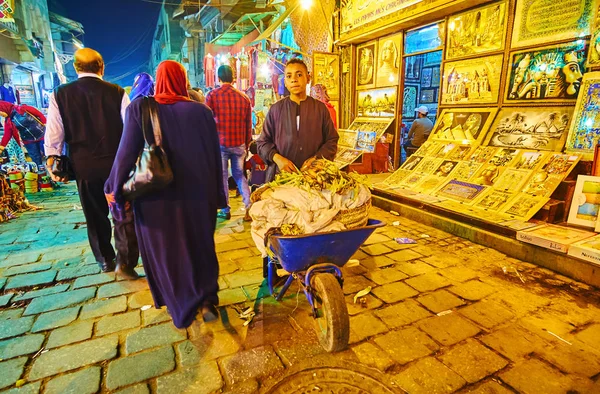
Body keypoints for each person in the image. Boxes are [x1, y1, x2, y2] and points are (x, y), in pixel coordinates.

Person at [104, 60, 226, 328]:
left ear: (159, 80)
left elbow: (125, 154)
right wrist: (219, 196)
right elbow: (215, 158)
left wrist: (113, 188)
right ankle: (207, 300)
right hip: (199, 195)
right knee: (201, 246)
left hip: (156, 198)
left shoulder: (140, 108)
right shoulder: (202, 112)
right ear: (182, 80)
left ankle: (182, 307)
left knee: (168, 252)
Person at [44, 48, 139, 279]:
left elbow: (54, 133)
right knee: (122, 213)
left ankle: (106, 260)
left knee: (94, 215)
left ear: (76, 68)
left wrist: (51, 159)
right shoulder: (117, 92)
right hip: (116, 165)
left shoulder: (60, 94)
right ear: (102, 67)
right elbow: (130, 129)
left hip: (83, 165)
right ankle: (125, 261)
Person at [258, 58, 338, 180]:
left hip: (314, 178)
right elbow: (262, 143)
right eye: (289, 76)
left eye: (299, 74)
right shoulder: (275, 110)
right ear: (285, 82)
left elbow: (331, 140)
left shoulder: (320, 109)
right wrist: (278, 159)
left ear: (308, 78)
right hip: (281, 178)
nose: (294, 79)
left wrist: (316, 159)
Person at [205, 65, 252, 221]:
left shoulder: (211, 96)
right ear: (233, 78)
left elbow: (207, 123)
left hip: (221, 144)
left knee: (223, 177)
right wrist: (246, 143)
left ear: (218, 78)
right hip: (239, 145)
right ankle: (249, 207)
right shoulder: (244, 98)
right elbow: (248, 126)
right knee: (240, 176)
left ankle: (225, 209)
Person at [0, 101, 46, 167]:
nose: (1, 115)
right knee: (36, 160)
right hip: (28, 141)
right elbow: (7, 135)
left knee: (49, 155)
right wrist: (1, 147)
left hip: (41, 134)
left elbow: (39, 114)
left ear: (4, 108)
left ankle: (55, 173)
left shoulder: (22, 109)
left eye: (1, 113)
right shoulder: (8, 121)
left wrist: (46, 125)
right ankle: (42, 174)